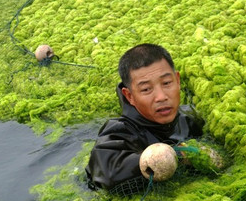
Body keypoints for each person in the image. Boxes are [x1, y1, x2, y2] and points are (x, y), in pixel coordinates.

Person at [86, 43, 203, 191]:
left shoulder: (189, 118)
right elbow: (107, 171)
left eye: (167, 83)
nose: (161, 97)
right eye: (146, 89)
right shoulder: (118, 132)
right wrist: (176, 155)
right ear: (129, 96)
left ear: (178, 81)